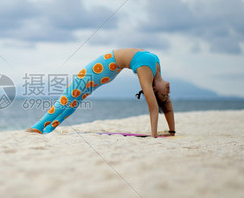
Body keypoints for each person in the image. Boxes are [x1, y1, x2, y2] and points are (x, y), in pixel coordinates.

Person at [27, 48, 175, 137]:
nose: (167, 93)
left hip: (103, 68)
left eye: (164, 94)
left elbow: (153, 106)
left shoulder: (147, 72)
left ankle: (38, 127)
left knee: (69, 97)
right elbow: (165, 105)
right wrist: (171, 131)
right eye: (166, 94)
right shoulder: (156, 69)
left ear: (154, 89)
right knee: (74, 99)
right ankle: (48, 129)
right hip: (107, 70)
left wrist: (154, 135)